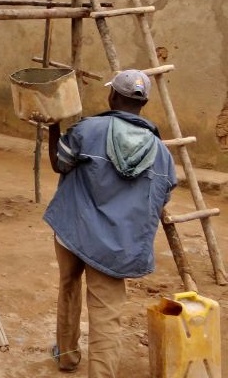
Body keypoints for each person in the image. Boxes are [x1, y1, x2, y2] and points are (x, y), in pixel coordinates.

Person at [41, 69, 177, 377]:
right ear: (143, 103)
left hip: (72, 231)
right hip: (117, 247)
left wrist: (53, 128)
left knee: (69, 287)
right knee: (106, 316)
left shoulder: (87, 130)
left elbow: (58, 164)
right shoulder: (162, 155)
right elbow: (161, 198)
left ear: (112, 96)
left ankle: (67, 356)